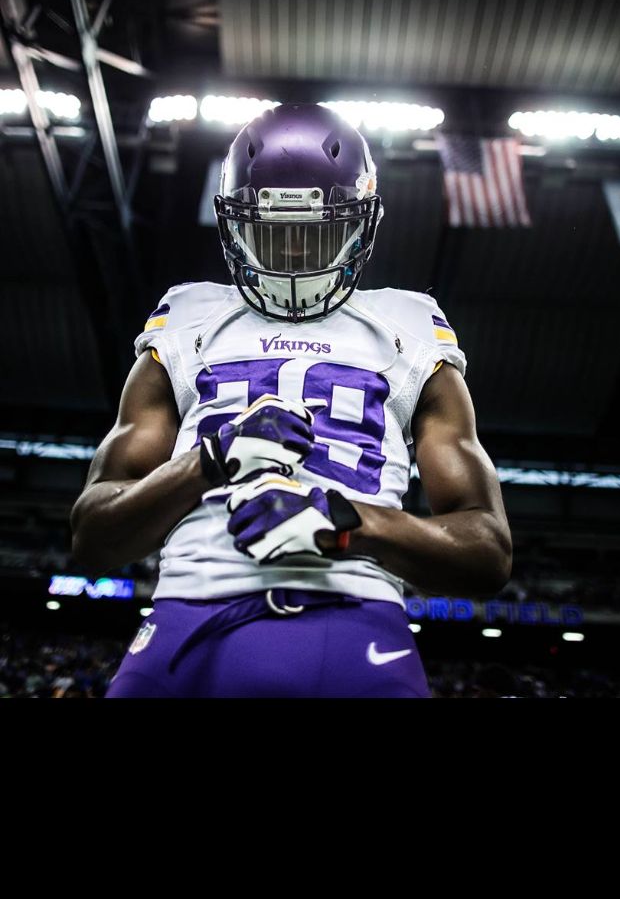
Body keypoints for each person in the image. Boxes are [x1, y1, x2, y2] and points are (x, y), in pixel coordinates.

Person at [70, 104, 512, 698]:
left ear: (363, 224)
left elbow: (487, 551)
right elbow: (93, 537)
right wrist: (207, 462)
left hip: (354, 612)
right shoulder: (187, 316)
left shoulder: (409, 325)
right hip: (189, 611)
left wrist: (352, 523)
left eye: (319, 230)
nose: (297, 256)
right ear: (232, 223)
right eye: (270, 232)